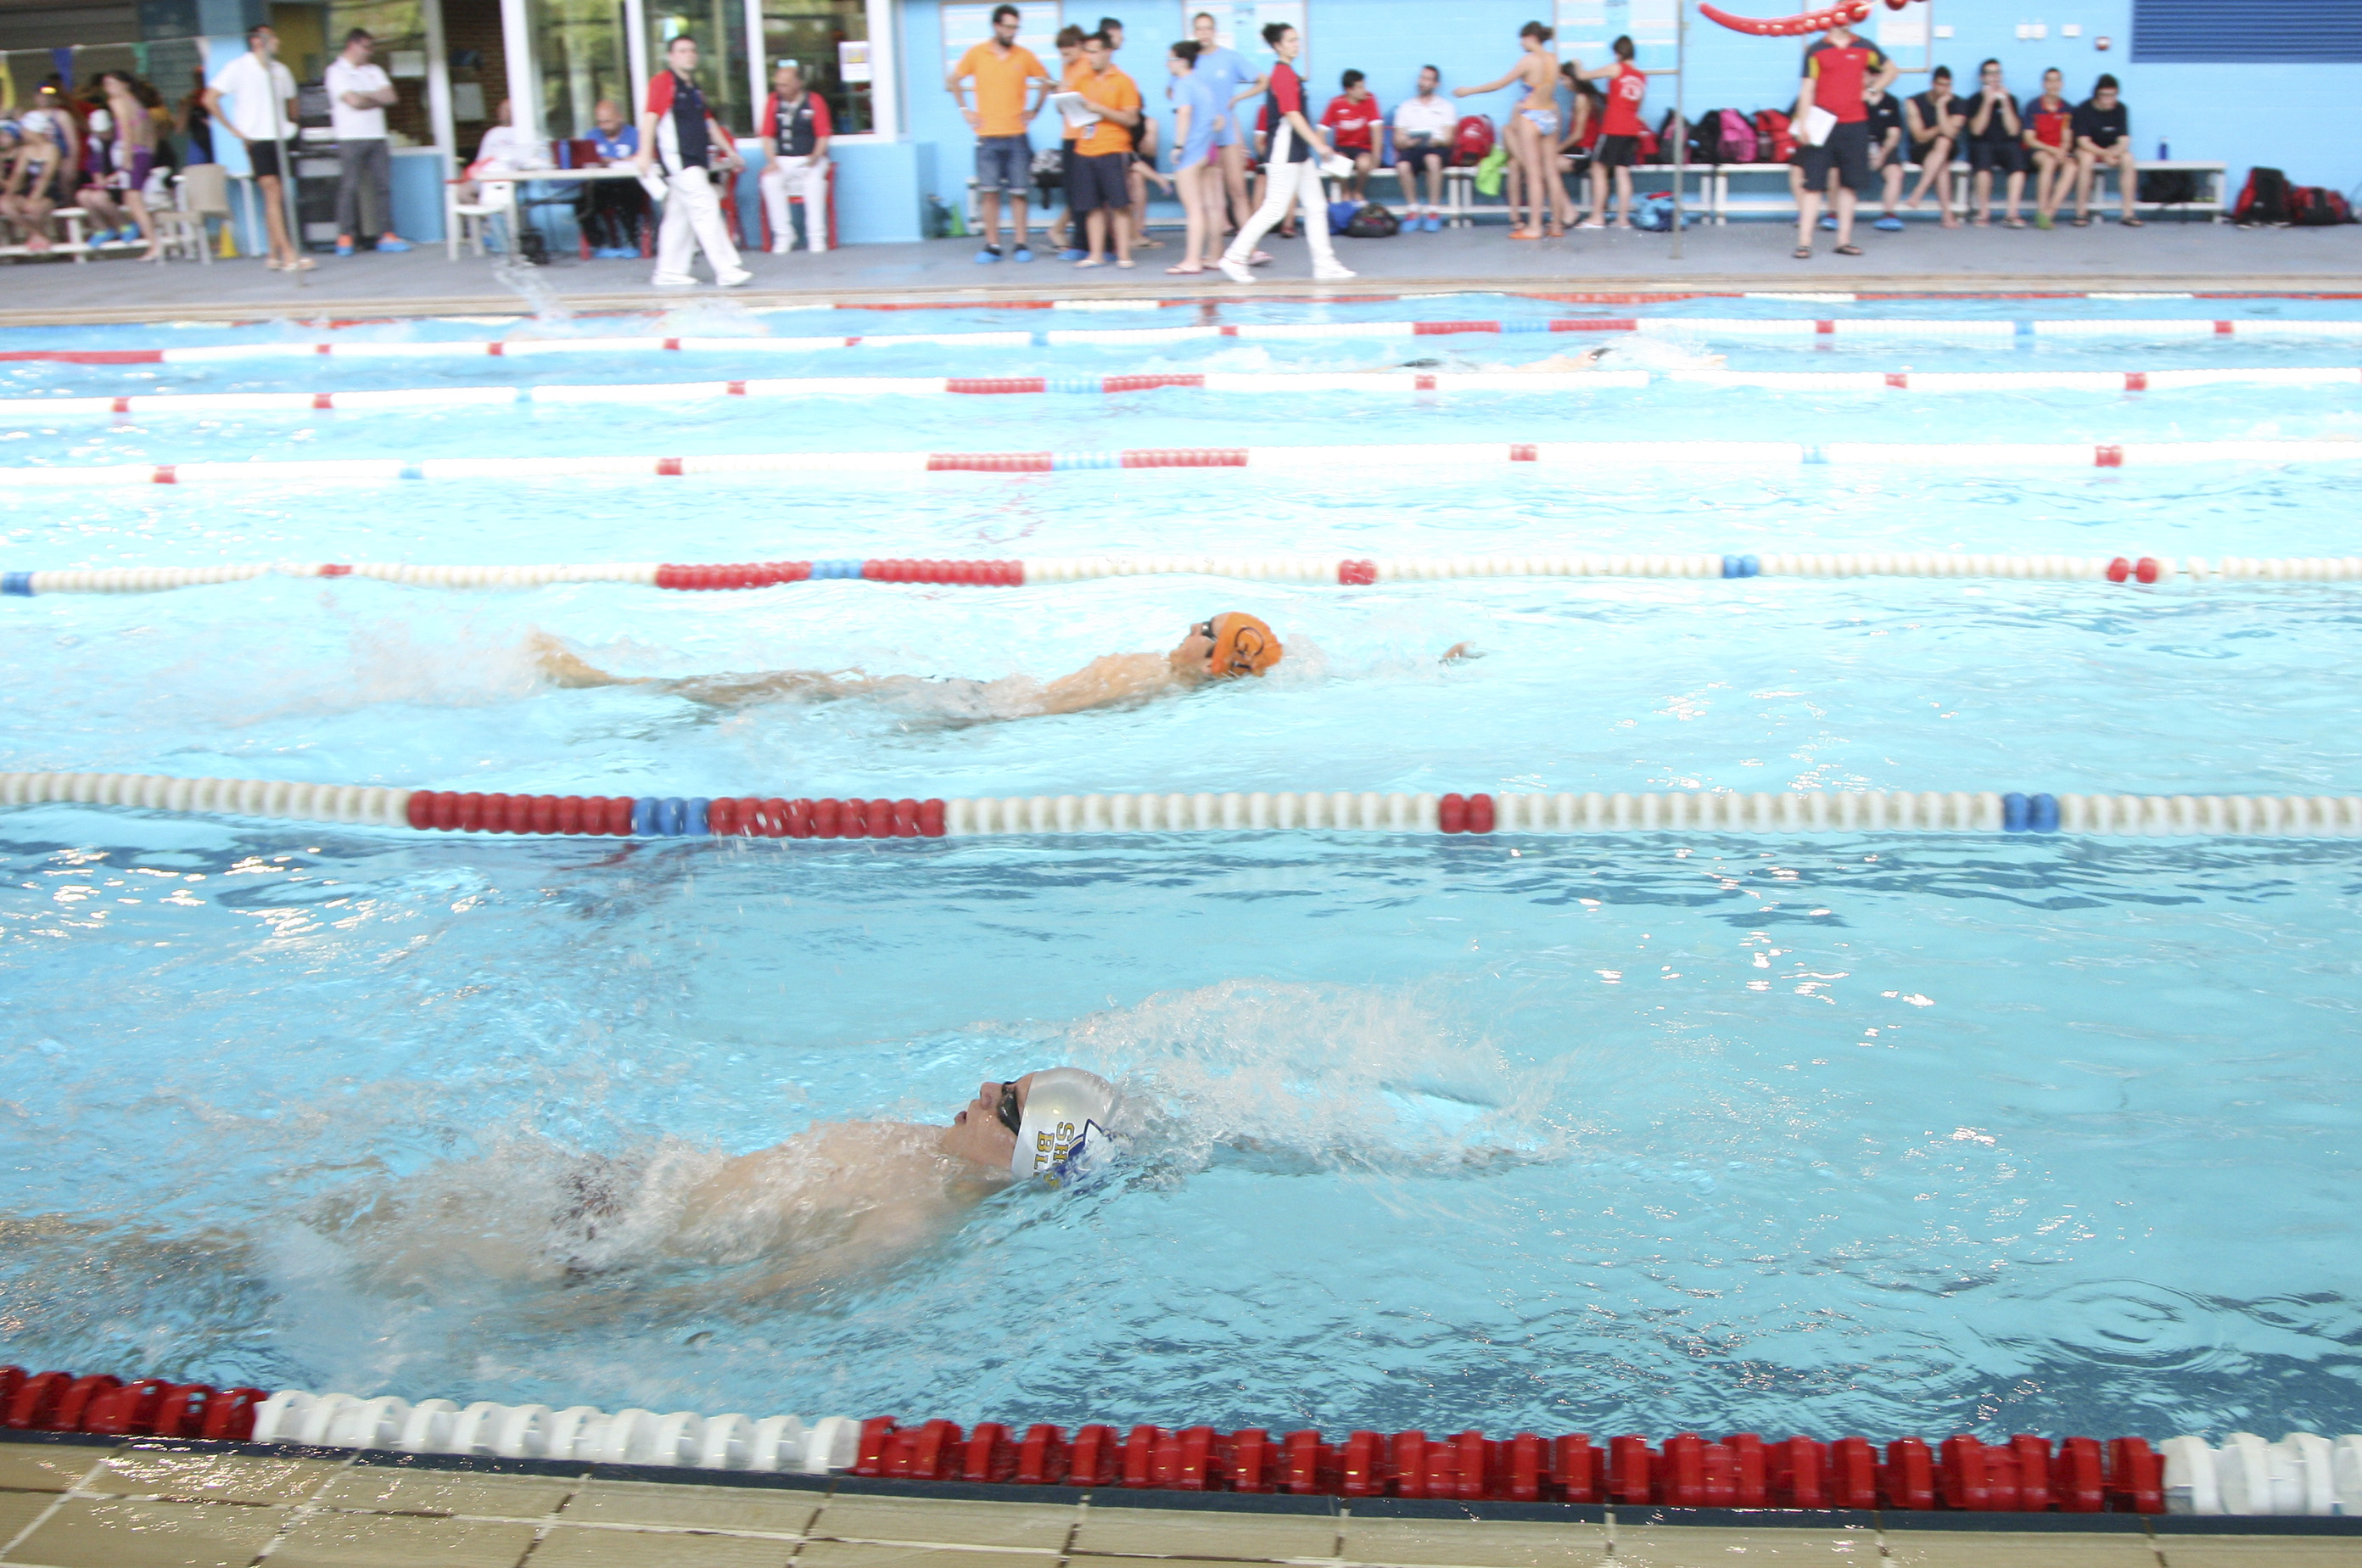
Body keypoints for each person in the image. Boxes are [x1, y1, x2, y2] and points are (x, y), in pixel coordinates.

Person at [547, 1071, 1122, 1294]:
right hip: (629, 1189)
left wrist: (594, 1303)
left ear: (1024, 1157)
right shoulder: (927, 1149)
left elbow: (755, 1297)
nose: (985, 1091)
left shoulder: (908, 1224)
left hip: (600, 1252)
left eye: (1008, 1109)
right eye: (1004, 1078)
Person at [530, 613, 1289, 717]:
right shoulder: (1157, 680)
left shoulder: (1147, 677)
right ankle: (635, 690)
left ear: (1216, 660)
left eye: (1205, 629)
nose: (1190, 629)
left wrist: (969, 711)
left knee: (808, 686)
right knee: (814, 690)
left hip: (978, 707)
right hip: (979, 703)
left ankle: (612, 683)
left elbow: (1050, 708)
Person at [1219, 23, 1352, 283]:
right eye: (1290, 40)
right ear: (1278, 46)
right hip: (1284, 154)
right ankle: (1234, 257)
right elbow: (1291, 115)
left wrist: (1311, 148)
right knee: (1274, 210)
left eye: (1297, 39)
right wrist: (1320, 145)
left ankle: (1324, 264)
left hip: (1298, 154)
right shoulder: (1282, 74)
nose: (1296, 44)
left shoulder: (1290, 74)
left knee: (1316, 206)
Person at [633, 34, 752, 288]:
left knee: (679, 216)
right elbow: (651, 118)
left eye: (692, 50)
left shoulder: (694, 88)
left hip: (696, 160)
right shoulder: (663, 82)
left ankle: (669, 271)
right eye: (682, 51)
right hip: (679, 161)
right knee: (706, 205)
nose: (688, 55)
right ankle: (726, 268)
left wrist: (729, 151)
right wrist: (643, 154)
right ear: (671, 56)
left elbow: (709, 124)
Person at [949, 4, 1049, 264]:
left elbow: (1047, 81)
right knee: (990, 192)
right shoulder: (977, 53)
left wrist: (1035, 109)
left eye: (1015, 27)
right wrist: (965, 110)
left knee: (1019, 192)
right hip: (987, 136)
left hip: (1017, 135)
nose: (1012, 32)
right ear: (996, 26)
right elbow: (954, 80)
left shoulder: (1024, 55)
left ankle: (1020, 243)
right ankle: (992, 245)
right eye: (1007, 26)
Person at [203, 24, 308, 271]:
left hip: (279, 137)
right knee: (272, 191)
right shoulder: (238, 67)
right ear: (256, 41)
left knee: (277, 196)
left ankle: (273, 254)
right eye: (272, 37)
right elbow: (209, 98)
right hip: (256, 139)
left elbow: (293, 101)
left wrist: (292, 124)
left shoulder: (281, 70)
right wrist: (233, 130)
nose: (277, 41)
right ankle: (289, 253)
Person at [1791, 16, 1894, 260]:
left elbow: (1891, 70)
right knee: (1813, 184)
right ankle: (1804, 243)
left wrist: (1872, 89)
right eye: (1842, 16)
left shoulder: (1865, 46)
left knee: (1850, 184)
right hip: (1822, 125)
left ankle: (1843, 241)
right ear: (1830, 19)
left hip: (1855, 125)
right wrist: (1804, 122)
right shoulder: (1816, 50)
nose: (1845, 22)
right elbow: (1807, 89)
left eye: (1850, 18)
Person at [1456, 21, 1572, 238]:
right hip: (1550, 115)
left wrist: (1469, 91)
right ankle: (1556, 226)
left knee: (1534, 174)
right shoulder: (1554, 60)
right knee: (1551, 173)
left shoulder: (1529, 61)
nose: (1520, 43)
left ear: (1530, 37)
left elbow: (1500, 84)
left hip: (1531, 116)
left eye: (1522, 39)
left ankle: (1535, 227)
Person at [324, 29, 410, 255]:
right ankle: (345, 235)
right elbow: (353, 102)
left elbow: (391, 97)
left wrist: (365, 98)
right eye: (366, 47)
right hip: (349, 137)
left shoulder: (375, 70)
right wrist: (374, 98)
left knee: (383, 186)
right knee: (349, 187)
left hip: (377, 136)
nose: (370, 52)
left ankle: (386, 234)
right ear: (352, 45)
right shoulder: (336, 71)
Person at [1066, 31, 1140, 268]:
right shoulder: (1082, 80)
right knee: (1092, 206)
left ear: (1108, 51)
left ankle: (1124, 255)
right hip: (1085, 148)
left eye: (1094, 51)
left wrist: (1101, 110)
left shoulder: (1124, 81)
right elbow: (1070, 109)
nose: (1090, 57)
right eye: (1087, 52)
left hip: (1113, 149)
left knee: (1119, 205)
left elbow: (1131, 119)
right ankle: (1096, 254)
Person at [1189, 11, 1262, 247]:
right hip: (1201, 139)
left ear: (1215, 31)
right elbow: (1174, 92)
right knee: (1210, 200)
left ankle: (1250, 248)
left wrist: (1238, 99)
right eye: (1199, 29)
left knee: (1238, 192)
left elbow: (1263, 81)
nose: (1203, 33)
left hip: (1227, 136)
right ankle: (1214, 253)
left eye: (1207, 28)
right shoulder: (1189, 61)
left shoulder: (1230, 58)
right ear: (1194, 32)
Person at [74, 71, 162, 256]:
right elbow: (151, 135)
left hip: (133, 153)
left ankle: (154, 244)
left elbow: (126, 130)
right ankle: (151, 240)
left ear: (125, 84)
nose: (108, 88)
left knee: (135, 202)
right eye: (106, 84)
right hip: (143, 153)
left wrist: (127, 159)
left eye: (112, 83)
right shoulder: (138, 104)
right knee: (132, 200)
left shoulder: (118, 103)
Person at [1567, 35, 1647, 230]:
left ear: (1618, 53)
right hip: (1631, 129)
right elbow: (1636, 105)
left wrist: (1577, 64)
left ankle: (1597, 217)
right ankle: (1623, 219)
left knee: (1597, 168)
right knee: (1622, 171)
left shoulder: (1616, 68)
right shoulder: (1641, 77)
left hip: (1613, 128)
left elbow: (1583, 76)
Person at [1164, 40, 1225, 274]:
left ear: (1182, 61)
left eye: (1170, 59)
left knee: (1194, 209)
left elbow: (1185, 114)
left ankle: (1192, 260)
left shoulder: (1183, 84)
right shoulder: (1202, 84)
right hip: (1209, 149)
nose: (1167, 64)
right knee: (1212, 206)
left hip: (1193, 152)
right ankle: (1214, 256)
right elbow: (1218, 121)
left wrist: (1178, 146)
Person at [759, 63, 831, 253]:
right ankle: (784, 234)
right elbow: (766, 136)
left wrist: (815, 156)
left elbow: (823, 136)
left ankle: (816, 236)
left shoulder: (814, 101)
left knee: (814, 182)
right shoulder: (773, 102)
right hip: (783, 159)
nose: (780, 89)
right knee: (769, 181)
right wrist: (772, 160)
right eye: (778, 85)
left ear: (798, 83)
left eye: (785, 85)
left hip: (810, 157)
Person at [576, 98, 646, 257]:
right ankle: (600, 244)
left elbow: (643, 156)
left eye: (608, 122)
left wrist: (615, 161)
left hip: (627, 184)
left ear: (619, 117)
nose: (604, 127)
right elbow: (583, 160)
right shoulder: (591, 136)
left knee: (629, 196)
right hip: (601, 185)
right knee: (581, 203)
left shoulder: (634, 135)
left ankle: (631, 241)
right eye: (600, 122)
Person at [1962, 58, 2026, 227]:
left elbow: (2013, 130)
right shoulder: (1974, 100)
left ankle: (2012, 214)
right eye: (1990, 74)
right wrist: (1988, 102)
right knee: (1983, 168)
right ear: (1982, 78)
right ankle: (1984, 213)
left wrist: (2004, 103)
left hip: (2007, 143)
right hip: (1982, 143)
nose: (1995, 77)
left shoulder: (2011, 99)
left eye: (1997, 73)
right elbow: (1976, 130)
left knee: (2018, 167)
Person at [2071, 74, 2141, 227]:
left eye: (2113, 95)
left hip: (2111, 149)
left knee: (2128, 159)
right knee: (2086, 159)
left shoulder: (2121, 108)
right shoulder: (2084, 109)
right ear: (2097, 94)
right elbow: (2083, 141)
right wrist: (2105, 154)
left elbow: (2124, 140)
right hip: (2089, 149)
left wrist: (2113, 152)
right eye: (2106, 95)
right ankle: (2081, 213)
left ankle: (2128, 213)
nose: (2110, 99)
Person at [1391, 66, 1452, 231]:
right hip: (1413, 148)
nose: (1422, 82)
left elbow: (1449, 138)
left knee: (1432, 159)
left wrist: (1436, 141)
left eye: (1427, 79)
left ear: (1436, 84)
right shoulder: (1406, 107)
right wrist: (1408, 143)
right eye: (1421, 78)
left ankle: (1433, 211)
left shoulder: (1446, 106)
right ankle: (1413, 209)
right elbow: (1397, 139)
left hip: (1436, 148)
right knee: (1403, 165)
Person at [1901, 64, 1961, 227]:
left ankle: (1919, 190)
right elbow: (1920, 136)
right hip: (1920, 149)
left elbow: (1951, 134)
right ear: (1932, 84)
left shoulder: (1958, 102)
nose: (1944, 89)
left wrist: (1941, 107)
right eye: (1941, 84)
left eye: (1948, 85)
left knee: (1944, 142)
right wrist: (1944, 125)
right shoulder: (1913, 102)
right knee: (1941, 164)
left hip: (1947, 147)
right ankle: (1947, 216)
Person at [2022, 67, 2074, 230]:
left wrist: (2063, 150)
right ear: (2044, 84)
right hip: (2038, 150)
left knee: (2072, 166)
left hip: (2058, 151)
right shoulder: (2033, 106)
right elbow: (2029, 139)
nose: (2054, 85)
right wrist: (2052, 150)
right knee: (2049, 162)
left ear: (2062, 84)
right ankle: (2041, 210)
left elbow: (2067, 136)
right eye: (2050, 81)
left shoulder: (2067, 108)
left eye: (2057, 80)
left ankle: (2049, 212)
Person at [1319, 70, 1381, 202]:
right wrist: (1325, 153)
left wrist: (1376, 157)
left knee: (1364, 164)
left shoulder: (1370, 100)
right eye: (1360, 87)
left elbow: (1377, 131)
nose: (1364, 90)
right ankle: (1346, 193)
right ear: (1349, 90)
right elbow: (1320, 132)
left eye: (1364, 86)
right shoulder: (1336, 103)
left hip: (1363, 148)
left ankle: (1358, 192)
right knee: (1337, 162)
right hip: (1342, 148)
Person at [1862, 78, 1905, 230]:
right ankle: (1833, 214)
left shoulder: (1891, 101)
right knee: (1836, 171)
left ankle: (1889, 214)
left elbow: (1894, 134)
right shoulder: (1854, 99)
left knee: (1895, 173)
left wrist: (1882, 155)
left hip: (1883, 147)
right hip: (1857, 146)